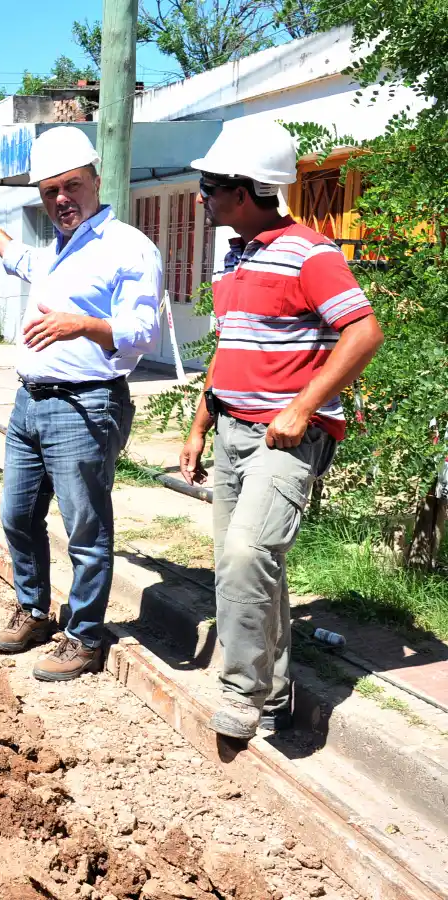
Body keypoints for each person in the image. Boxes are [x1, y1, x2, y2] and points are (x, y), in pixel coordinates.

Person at [179, 120, 384, 739]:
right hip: (233, 432)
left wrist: (302, 407)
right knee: (241, 564)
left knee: (247, 554)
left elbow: (364, 331)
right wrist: (198, 425)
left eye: (210, 186)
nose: (202, 197)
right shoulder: (235, 257)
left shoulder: (310, 254)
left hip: (286, 437)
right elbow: (230, 349)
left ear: (244, 191)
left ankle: (241, 692)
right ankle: (274, 694)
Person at [0, 126, 162, 682]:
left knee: (85, 531)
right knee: (18, 515)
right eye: (50, 192)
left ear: (97, 180)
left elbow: (143, 332)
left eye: (71, 186)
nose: (61, 199)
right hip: (31, 404)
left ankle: (85, 637)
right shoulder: (58, 249)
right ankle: (33, 610)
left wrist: (84, 325)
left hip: (86, 406)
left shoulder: (128, 247)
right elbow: (23, 260)